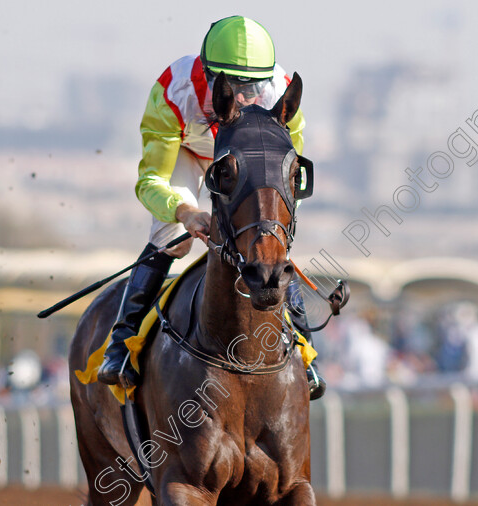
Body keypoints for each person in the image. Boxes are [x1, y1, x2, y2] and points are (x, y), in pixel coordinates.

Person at [97, 15, 326, 399]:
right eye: (235, 86)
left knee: (269, 238)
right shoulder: (173, 92)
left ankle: (304, 350)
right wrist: (185, 213)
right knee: (172, 239)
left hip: (244, 160)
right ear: (208, 74)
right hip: (188, 154)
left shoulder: (281, 92)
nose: (245, 97)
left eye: (254, 86)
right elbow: (150, 180)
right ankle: (122, 343)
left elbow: (285, 174)